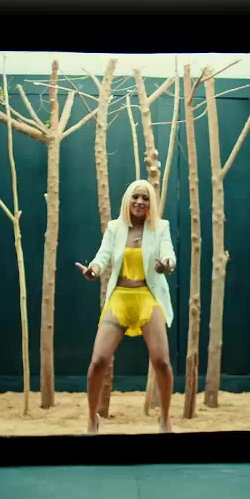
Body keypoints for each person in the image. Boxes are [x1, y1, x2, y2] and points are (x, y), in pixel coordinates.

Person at [75, 180, 177, 434]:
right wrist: (93, 270)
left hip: (147, 297)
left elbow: (169, 255)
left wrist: (166, 265)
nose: (139, 202)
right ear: (127, 200)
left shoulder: (161, 227)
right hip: (120, 297)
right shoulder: (115, 228)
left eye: (145, 198)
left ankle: (165, 418)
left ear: (151, 203)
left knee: (161, 361)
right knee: (99, 360)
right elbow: (103, 256)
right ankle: (92, 418)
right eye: (135, 197)